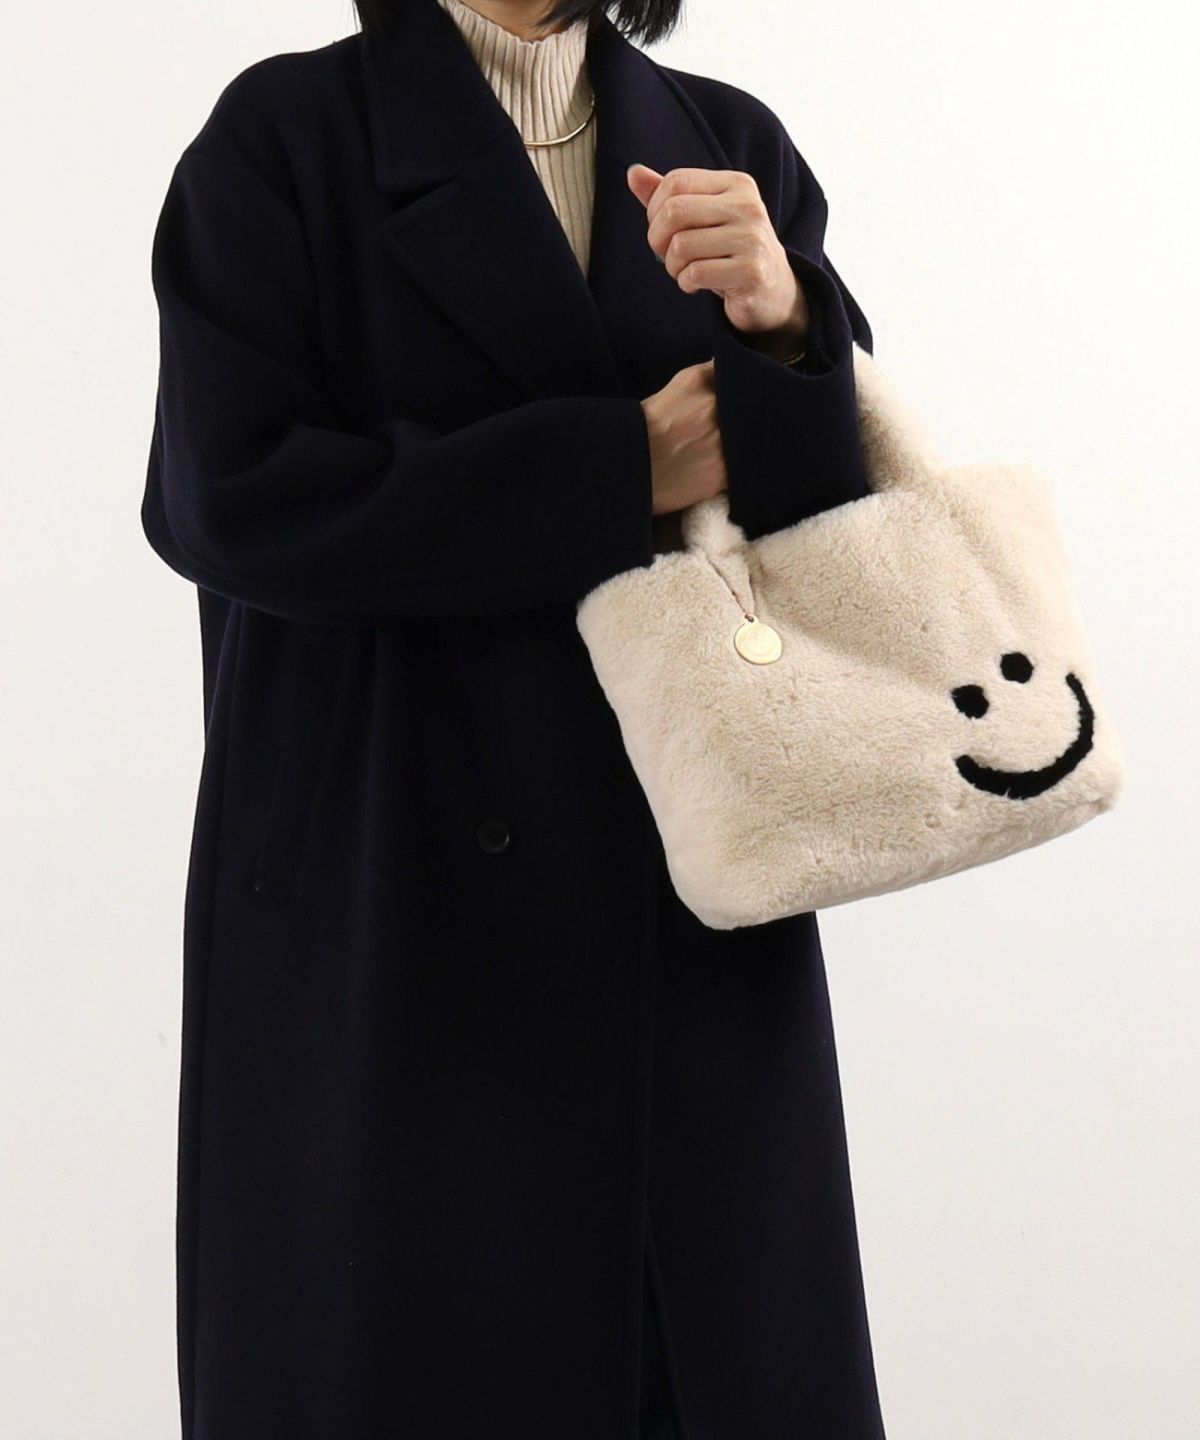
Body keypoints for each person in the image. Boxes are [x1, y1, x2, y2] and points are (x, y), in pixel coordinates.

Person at [141, 0, 884, 1434]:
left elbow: (833, 543)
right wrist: (619, 467)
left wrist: (791, 328)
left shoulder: (727, 143)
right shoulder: (286, 139)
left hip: (682, 889)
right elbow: (227, 500)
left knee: (708, 1359)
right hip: (388, 879)